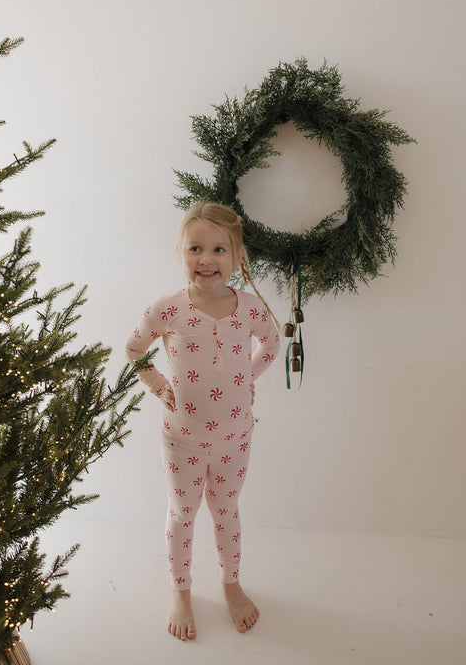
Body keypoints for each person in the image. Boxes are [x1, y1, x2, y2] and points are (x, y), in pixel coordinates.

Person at [125, 202, 280, 641]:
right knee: (183, 515)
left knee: (227, 510)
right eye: (195, 248)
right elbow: (134, 349)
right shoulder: (168, 309)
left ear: (237, 257)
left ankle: (231, 584)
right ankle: (181, 591)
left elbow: (270, 346)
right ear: (180, 253)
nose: (206, 259)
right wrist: (158, 385)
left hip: (236, 438)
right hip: (182, 440)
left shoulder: (249, 308)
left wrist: (243, 377)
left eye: (218, 249)